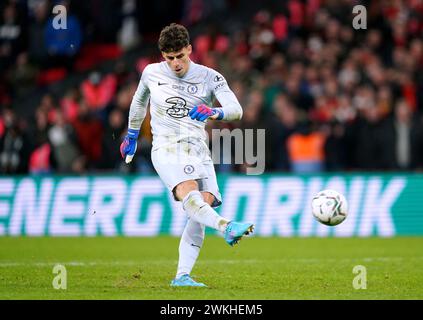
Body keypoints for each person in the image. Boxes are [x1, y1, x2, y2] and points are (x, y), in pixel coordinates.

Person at [120, 23, 254, 287]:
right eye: (169, 58)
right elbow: (138, 102)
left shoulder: (209, 77)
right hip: (167, 147)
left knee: (202, 205)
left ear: (190, 49)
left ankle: (182, 276)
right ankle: (226, 226)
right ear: (162, 56)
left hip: (198, 149)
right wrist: (132, 135)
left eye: (180, 56)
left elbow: (236, 109)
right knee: (189, 192)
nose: (175, 63)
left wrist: (214, 112)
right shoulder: (151, 73)